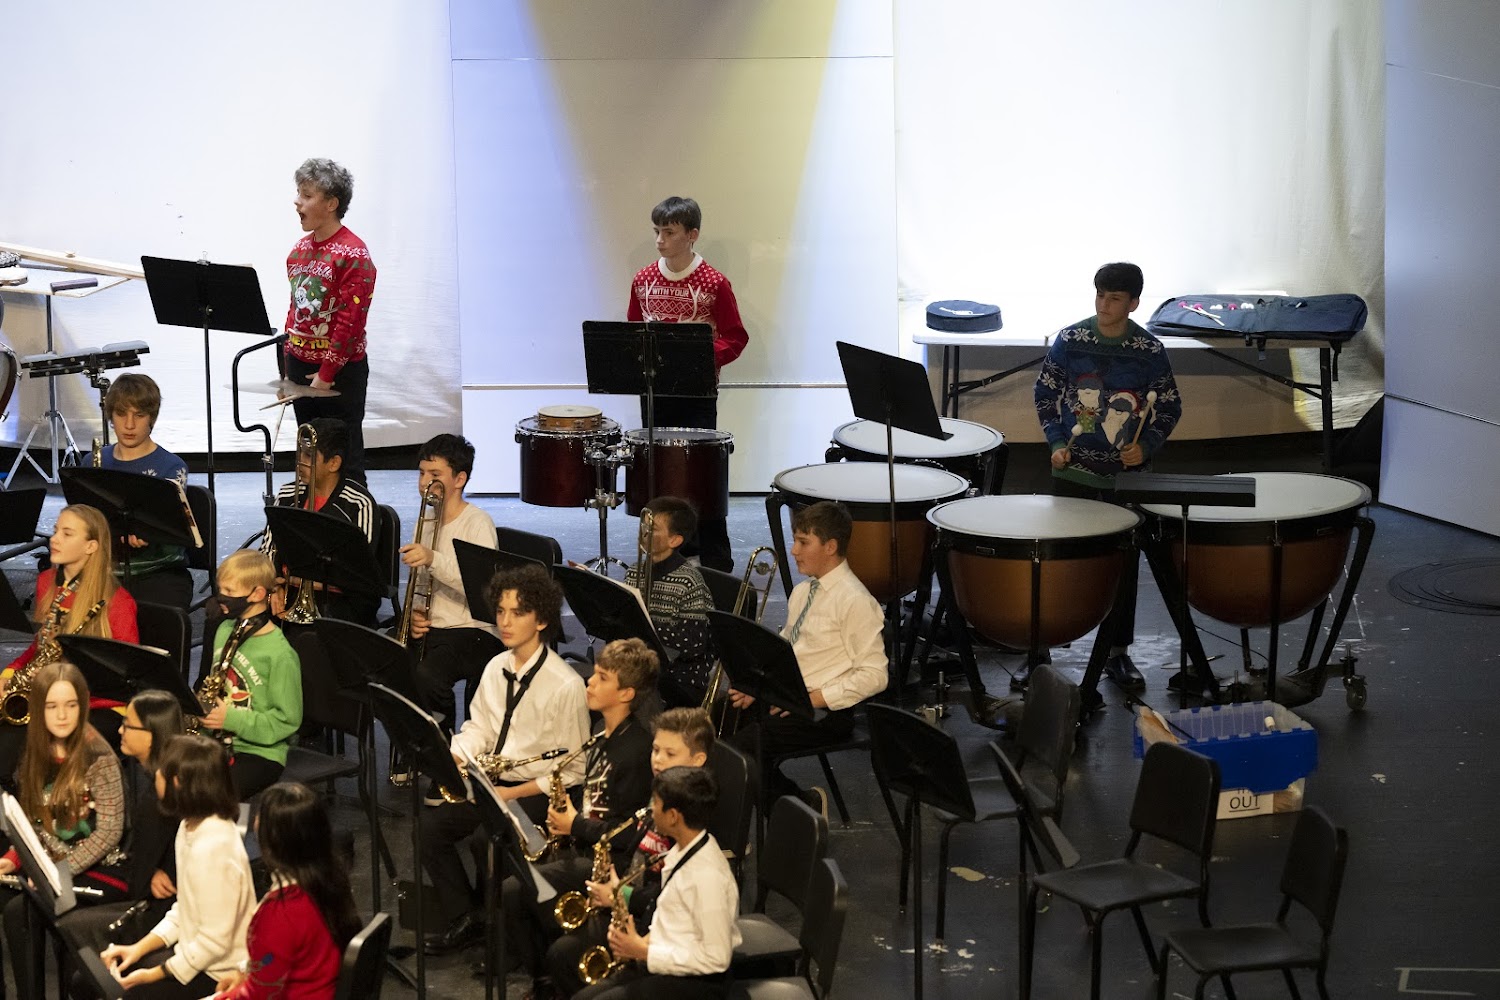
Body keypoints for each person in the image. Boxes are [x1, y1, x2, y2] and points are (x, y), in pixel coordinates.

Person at [421, 564, 590, 955]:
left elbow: (574, 770)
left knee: (489, 840)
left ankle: (509, 942)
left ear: (542, 620)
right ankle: (468, 918)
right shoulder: (495, 667)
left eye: (517, 613)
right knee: (430, 829)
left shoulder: (565, 685)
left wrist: (511, 795)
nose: (505, 622)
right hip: (492, 783)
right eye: (500, 611)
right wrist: (456, 754)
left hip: (535, 793)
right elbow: (479, 727)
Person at [1033, 262, 1182, 692]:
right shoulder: (1071, 339)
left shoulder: (1149, 350)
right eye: (1099, 294)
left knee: (1123, 567)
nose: (1103, 304)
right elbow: (1044, 393)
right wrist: (1056, 441)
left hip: (1124, 478)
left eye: (1114, 298)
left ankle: (1117, 652)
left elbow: (1169, 406)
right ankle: (1041, 652)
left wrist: (1146, 446)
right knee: (1059, 564)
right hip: (1073, 471)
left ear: (1133, 303)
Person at [504, 638, 658, 988]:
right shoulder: (600, 733)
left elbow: (629, 832)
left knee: (515, 891)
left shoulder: (637, 752)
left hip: (610, 864)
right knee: (515, 883)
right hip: (584, 847)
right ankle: (546, 977)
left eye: (602, 678)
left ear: (626, 694)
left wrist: (575, 824)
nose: (590, 681)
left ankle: (552, 979)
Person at [542, 708, 715, 999]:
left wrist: (620, 896)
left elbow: (670, 896)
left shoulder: (693, 816)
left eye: (670, 754)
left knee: (570, 959)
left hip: (657, 921)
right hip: (634, 900)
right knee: (561, 954)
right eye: (655, 750)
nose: (658, 760)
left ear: (697, 760)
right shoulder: (660, 791)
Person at [728, 501, 887, 814]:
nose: (793, 551)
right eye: (795, 541)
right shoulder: (803, 592)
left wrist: (810, 698)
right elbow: (787, 652)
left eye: (803, 542)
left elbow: (875, 675)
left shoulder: (856, 601)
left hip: (826, 712)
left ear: (830, 547)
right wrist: (760, 686)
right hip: (789, 697)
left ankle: (798, 811)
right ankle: (796, 804)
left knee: (741, 751)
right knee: (717, 725)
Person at [626, 196, 749, 573]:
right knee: (659, 475)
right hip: (655, 391)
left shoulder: (714, 282)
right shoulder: (643, 279)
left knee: (700, 474)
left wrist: (701, 357)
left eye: (669, 232)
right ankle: (666, 553)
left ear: (692, 235)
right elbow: (633, 330)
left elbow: (735, 336)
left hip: (696, 393)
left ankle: (714, 556)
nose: (659, 240)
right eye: (657, 231)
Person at [0, 663, 128, 999]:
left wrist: (59, 872)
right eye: (52, 706)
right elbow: (31, 816)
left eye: (71, 705)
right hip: (50, 861)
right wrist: (15, 857)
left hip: (96, 867)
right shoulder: (33, 751)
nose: (61, 715)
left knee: (25, 910)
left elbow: (109, 832)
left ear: (82, 706)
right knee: (15, 911)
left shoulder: (98, 756)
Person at [558, 767, 740, 1000]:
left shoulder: (707, 878)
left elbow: (717, 958)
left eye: (656, 803)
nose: (651, 809)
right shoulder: (684, 849)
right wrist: (641, 942)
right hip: (666, 960)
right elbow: (675, 919)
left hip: (696, 984)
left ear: (673, 816)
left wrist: (643, 951)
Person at [100, 733, 255, 998]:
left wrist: (151, 974)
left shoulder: (215, 847)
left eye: (161, 770)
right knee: (95, 978)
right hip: (193, 957)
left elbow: (213, 943)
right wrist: (138, 948)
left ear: (177, 782)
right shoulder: (188, 825)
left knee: (122, 992)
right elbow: (184, 909)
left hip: (218, 974)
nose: (155, 774)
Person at [0, 504, 138, 774]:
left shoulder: (120, 603)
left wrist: (60, 695)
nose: (54, 539)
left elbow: (123, 679)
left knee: (42, 751)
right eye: (55, 531)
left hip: (99, 705)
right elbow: (41, 644)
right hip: (51, 695)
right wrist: (10, 674)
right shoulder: (47, 581)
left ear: (91, 546)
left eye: (67, 533)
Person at [57, 690, 187, 964]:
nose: (120, 729)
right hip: (152, 887)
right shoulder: (164, 780)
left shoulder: (159, 797)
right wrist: (154, 869)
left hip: (161, 910)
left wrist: (157, 871)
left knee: (73, 929)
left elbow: (146, 879)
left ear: (150, 736)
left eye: (128, 724)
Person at [212, 783, 362, 999]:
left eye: (260, 817)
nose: (255, 821)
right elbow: (283, 959)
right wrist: (247, 974)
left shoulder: (280, 912)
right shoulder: (330, 880)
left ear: (271, 838)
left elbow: (260, 994)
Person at [404, 433, 504, 747]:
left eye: (435, 475)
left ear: (459, 479)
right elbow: (420, 585)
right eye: (422, 473)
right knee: (386, 662)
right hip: (435, 627)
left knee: (429, 676)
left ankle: (443, 745)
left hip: (472, 630)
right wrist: (414, 614)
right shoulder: (425, 522)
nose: (425, 483)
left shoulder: (477, 523)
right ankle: (413, 745)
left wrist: (433, 558)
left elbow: (483, 588)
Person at [283, 157, 376, 484]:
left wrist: (325, 375)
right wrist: (286, 372)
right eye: (299, 193)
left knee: (343, 457)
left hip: (338, 375)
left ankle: (353, 512)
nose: (297, 202)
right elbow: (295, 312)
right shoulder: (299, 251)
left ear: (331, 203)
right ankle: (313, 510)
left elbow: (351, 324)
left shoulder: (354, 254)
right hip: (300, 366)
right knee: (310, 456)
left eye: (306, 195)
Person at [201, 550, 304, 800]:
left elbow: (287, 721)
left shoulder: (280, 654)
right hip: (217, 740)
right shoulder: (224, 629)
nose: (221, 596)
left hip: (261, 752)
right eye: (220, 588)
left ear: (257, 594)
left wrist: (232, 720)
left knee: (210, 796)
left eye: (229, 590)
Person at [98, 373, 195, 610]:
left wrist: (146, 533)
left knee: (154, 615)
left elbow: (167, 527)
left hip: (157, 570)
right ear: (111, 416)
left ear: (152, 417)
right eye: (121, 414)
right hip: (103, 569)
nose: (129, 425)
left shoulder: (172, 467)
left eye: (139, 415)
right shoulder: (95, 460)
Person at [271, 416, 378, 627]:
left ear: (334, 463)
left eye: (309, 455)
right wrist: (273, 587)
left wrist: (301, 581)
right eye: (300, 453)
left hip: (339, 599)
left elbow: (358, 573)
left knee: (306, 636)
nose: (300, 462)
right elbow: (269, 550)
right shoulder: (286, 494)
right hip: (286, 590)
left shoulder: (358, 504)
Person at [624, 496, 713, 706]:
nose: (643, 532)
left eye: (652, 528)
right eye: (643, 525)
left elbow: (694, 643)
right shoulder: (634, 572)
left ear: (675, 541)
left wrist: (644, 629)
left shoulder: (689, 582)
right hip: (644, 668)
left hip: (679, 678)